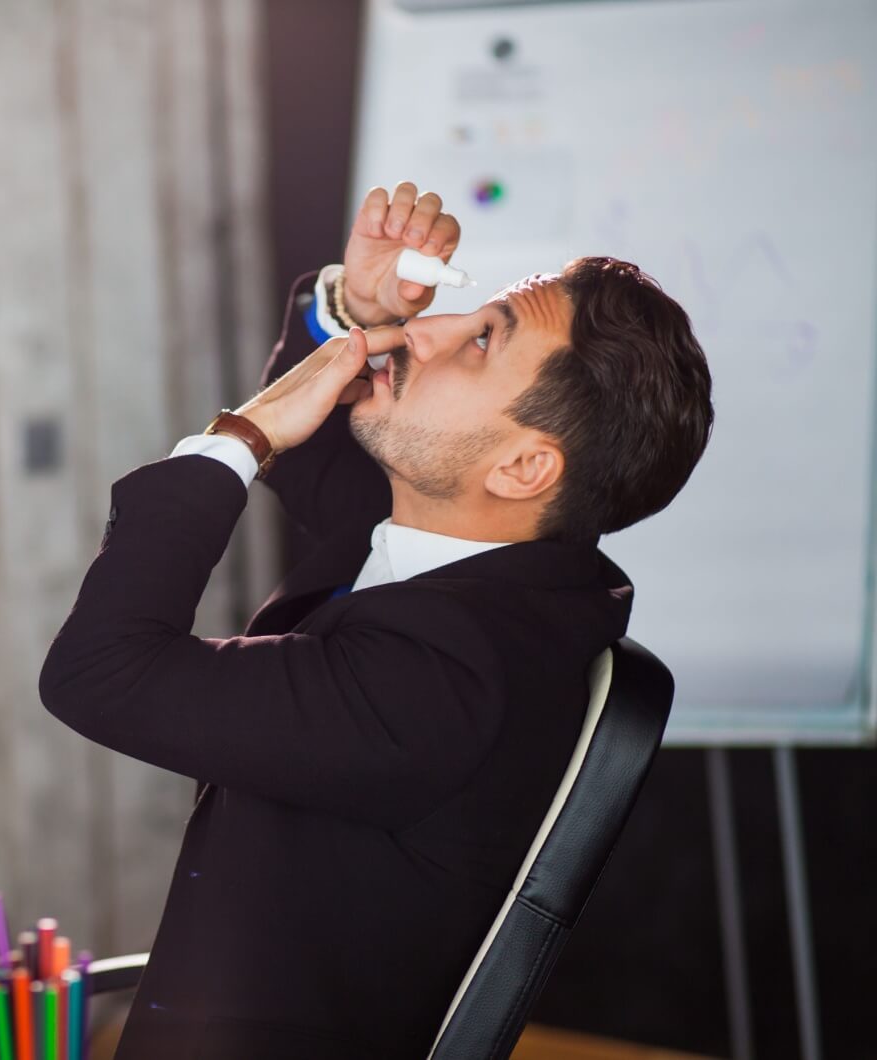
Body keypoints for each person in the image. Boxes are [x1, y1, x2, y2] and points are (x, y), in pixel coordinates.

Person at [39, 182, 714, 1058]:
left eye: (480, 342)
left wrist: (239, 439)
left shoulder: (437, 684)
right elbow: (328, 456)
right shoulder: (500, 572)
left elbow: (102, 672)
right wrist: (355, 311)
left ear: (522, 467)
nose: (424, 330)